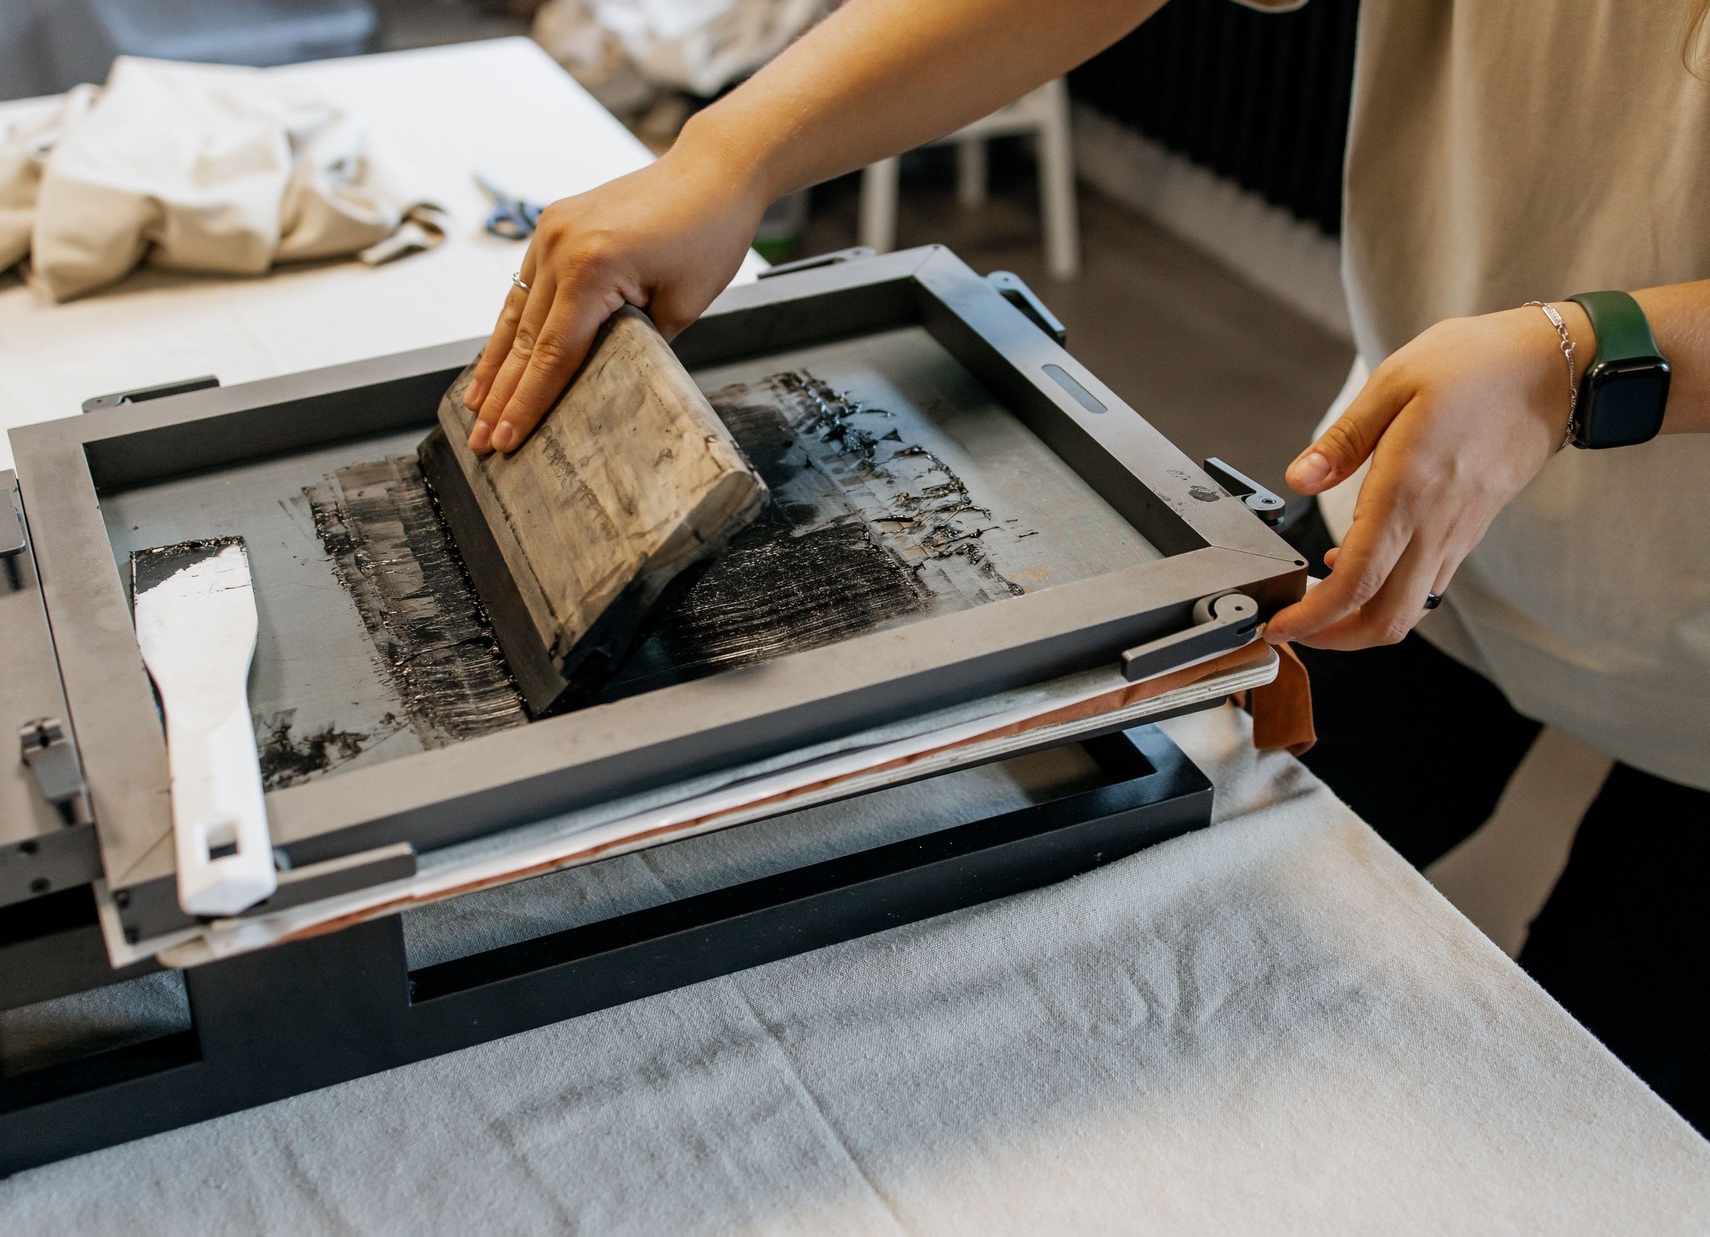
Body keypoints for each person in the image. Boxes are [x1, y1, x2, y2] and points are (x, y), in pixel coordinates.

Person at [462, 0, 1710, 1133]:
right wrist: (731, 155)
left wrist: (1578, 361)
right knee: (1158, 953)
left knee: (1585, 1112)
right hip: (1414, 512)